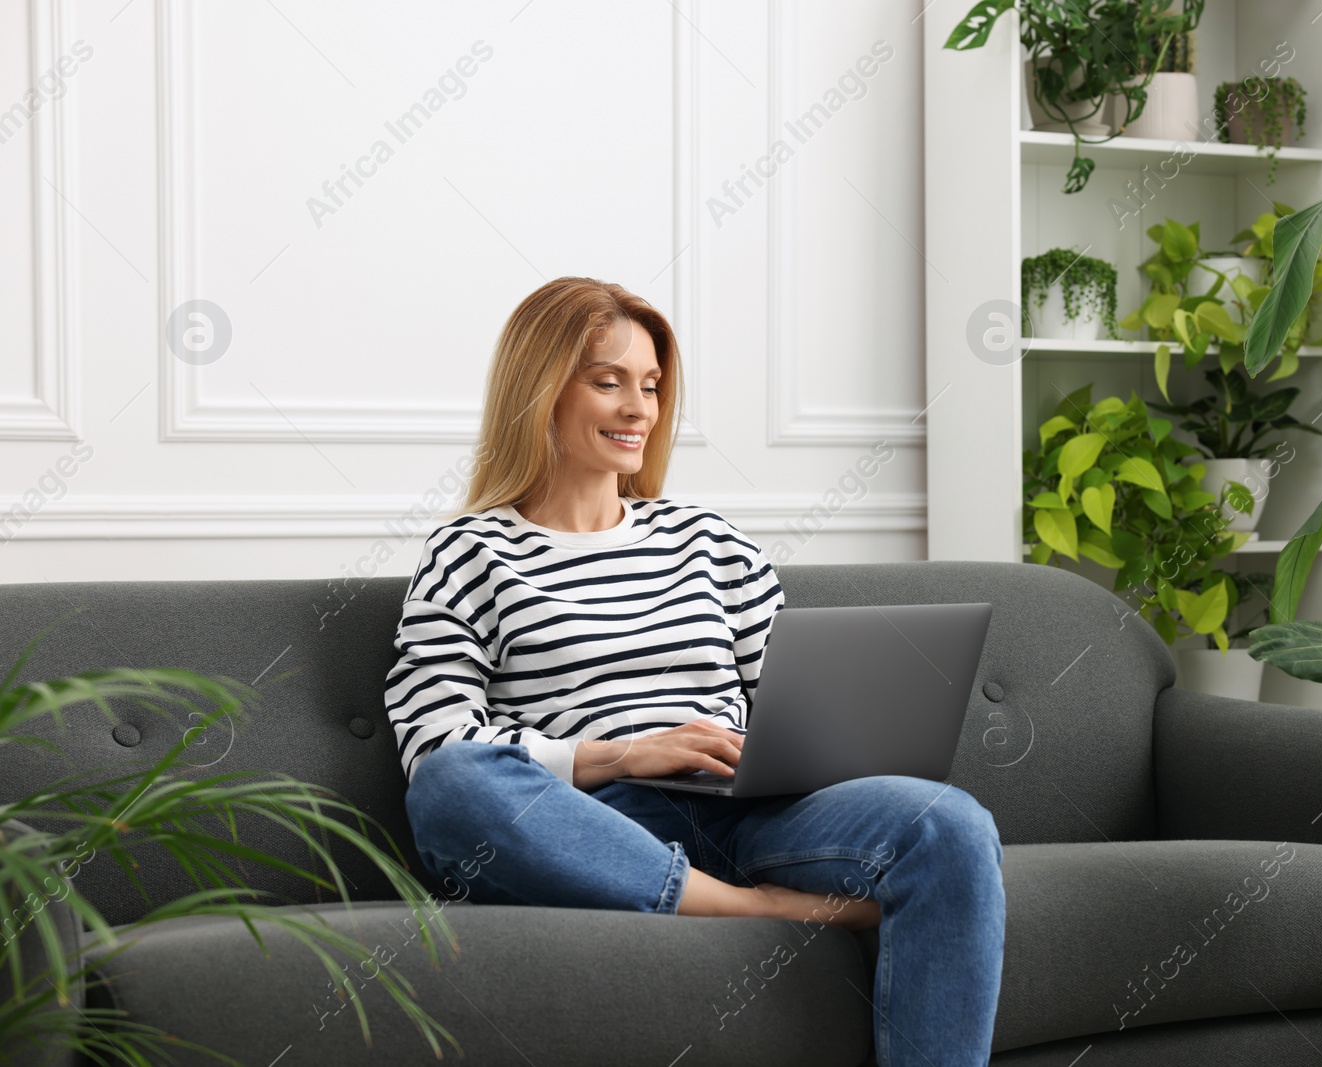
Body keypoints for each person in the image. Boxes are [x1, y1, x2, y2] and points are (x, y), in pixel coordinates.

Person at [384, 276, 1005, 1065]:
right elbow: (436, 747)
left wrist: (822, 743)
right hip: (603, 826)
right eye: (608, 382)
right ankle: (753, 909)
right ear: (538, 389)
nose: (639, 408)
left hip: (752, 808)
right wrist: (624, 754)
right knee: (452, 789)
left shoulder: (706, 539)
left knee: (948, 823)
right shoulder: (469, 551)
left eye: (650, 385)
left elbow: (790, 692)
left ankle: (753, 892)